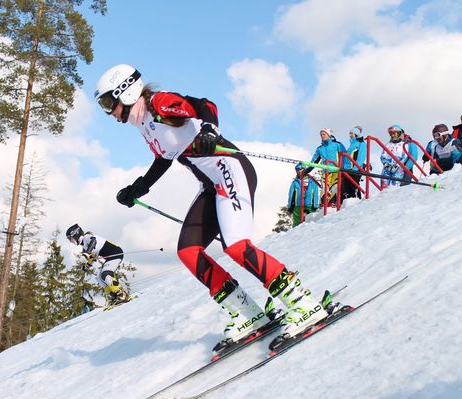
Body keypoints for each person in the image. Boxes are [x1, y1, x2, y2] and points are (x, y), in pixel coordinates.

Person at [93, 64, 331, 352]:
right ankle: (248, 314)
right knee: (189, 252)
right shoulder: (145, 125)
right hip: (209, 185)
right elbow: (165, 159)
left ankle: (303, 304)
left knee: (237, 247)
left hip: (230, 170)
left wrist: (209, 129)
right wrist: (138, 188)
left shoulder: (159, 103)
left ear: (125, 92)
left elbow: (205, 106)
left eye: (108, 103)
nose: (110, 112)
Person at [66, 223, 131, 307]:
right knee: (99, 277)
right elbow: (93, 256)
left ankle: (122, 295)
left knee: (106, 274)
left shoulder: (87, 237)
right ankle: (115, 296)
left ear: (76, 234)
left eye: (70, 239)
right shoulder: (85, 245)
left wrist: (85, 254)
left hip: (116, 253)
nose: (71, 242)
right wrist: (87, 265)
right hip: (109, 258)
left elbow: (93, 241)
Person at [309, 128, 346, 204]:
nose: (322, 136)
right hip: (326, 172)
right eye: (321, 135)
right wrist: (307, 170)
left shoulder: (337, 144)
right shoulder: (320, 148)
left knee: (335, 188)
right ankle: (323, 206)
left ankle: (334, 205)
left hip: (336, 170)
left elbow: (345, 156)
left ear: (328, 134)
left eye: (324, 134)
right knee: (324, 190)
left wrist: (344, 168)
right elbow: (314, 161)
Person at [342, 126, 367, 199]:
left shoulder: (361, 143)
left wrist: (356, 167)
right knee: (345, 186)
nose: (350, 135)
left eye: (351, 133)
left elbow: (361, 157)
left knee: (354, 185)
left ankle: (356, 200)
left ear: (356, 134)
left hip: (355, 168)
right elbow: (347, 157)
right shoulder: (352, 144)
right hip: (347, 168)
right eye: (349, 133)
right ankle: (347, 201)